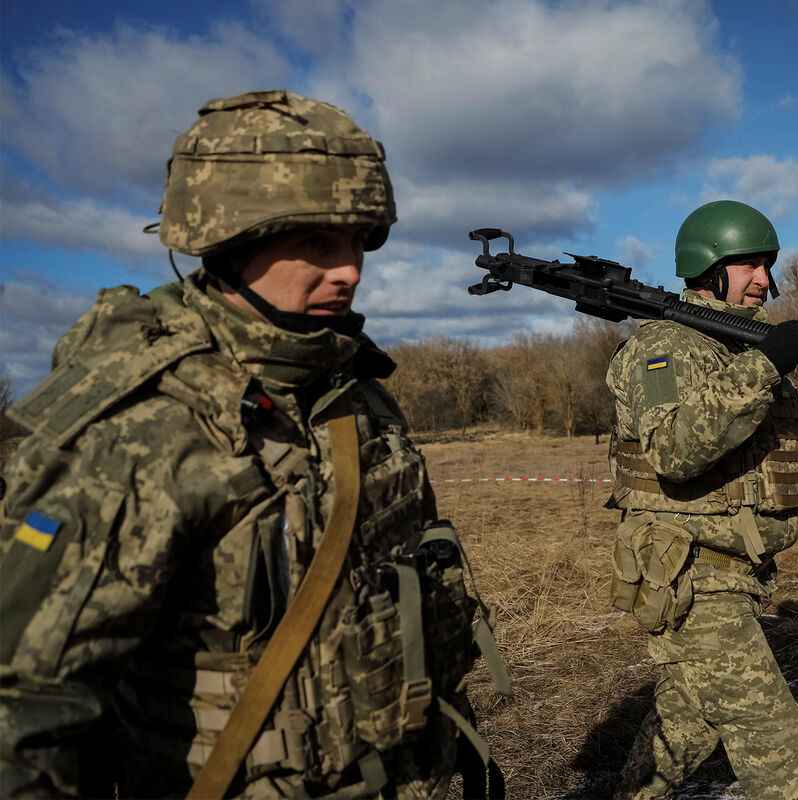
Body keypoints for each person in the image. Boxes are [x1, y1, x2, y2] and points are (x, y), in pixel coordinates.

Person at [0, 90, 506, 799]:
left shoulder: (351, 391)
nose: (351, 269)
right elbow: (24, 708)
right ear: (232, 239)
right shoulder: (141, 427)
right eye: (316, 242)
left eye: (360, 240)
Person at [606, 200, 798, 800]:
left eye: (768, 265)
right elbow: (672, 449)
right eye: (749, 266)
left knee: (682, 729)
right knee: (777, 744)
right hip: (689, 572)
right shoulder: (665, 347)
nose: (765, 280)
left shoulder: (741, 350)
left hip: (736, 574)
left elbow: (788, 452)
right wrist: (763, 365)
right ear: (708, 268)